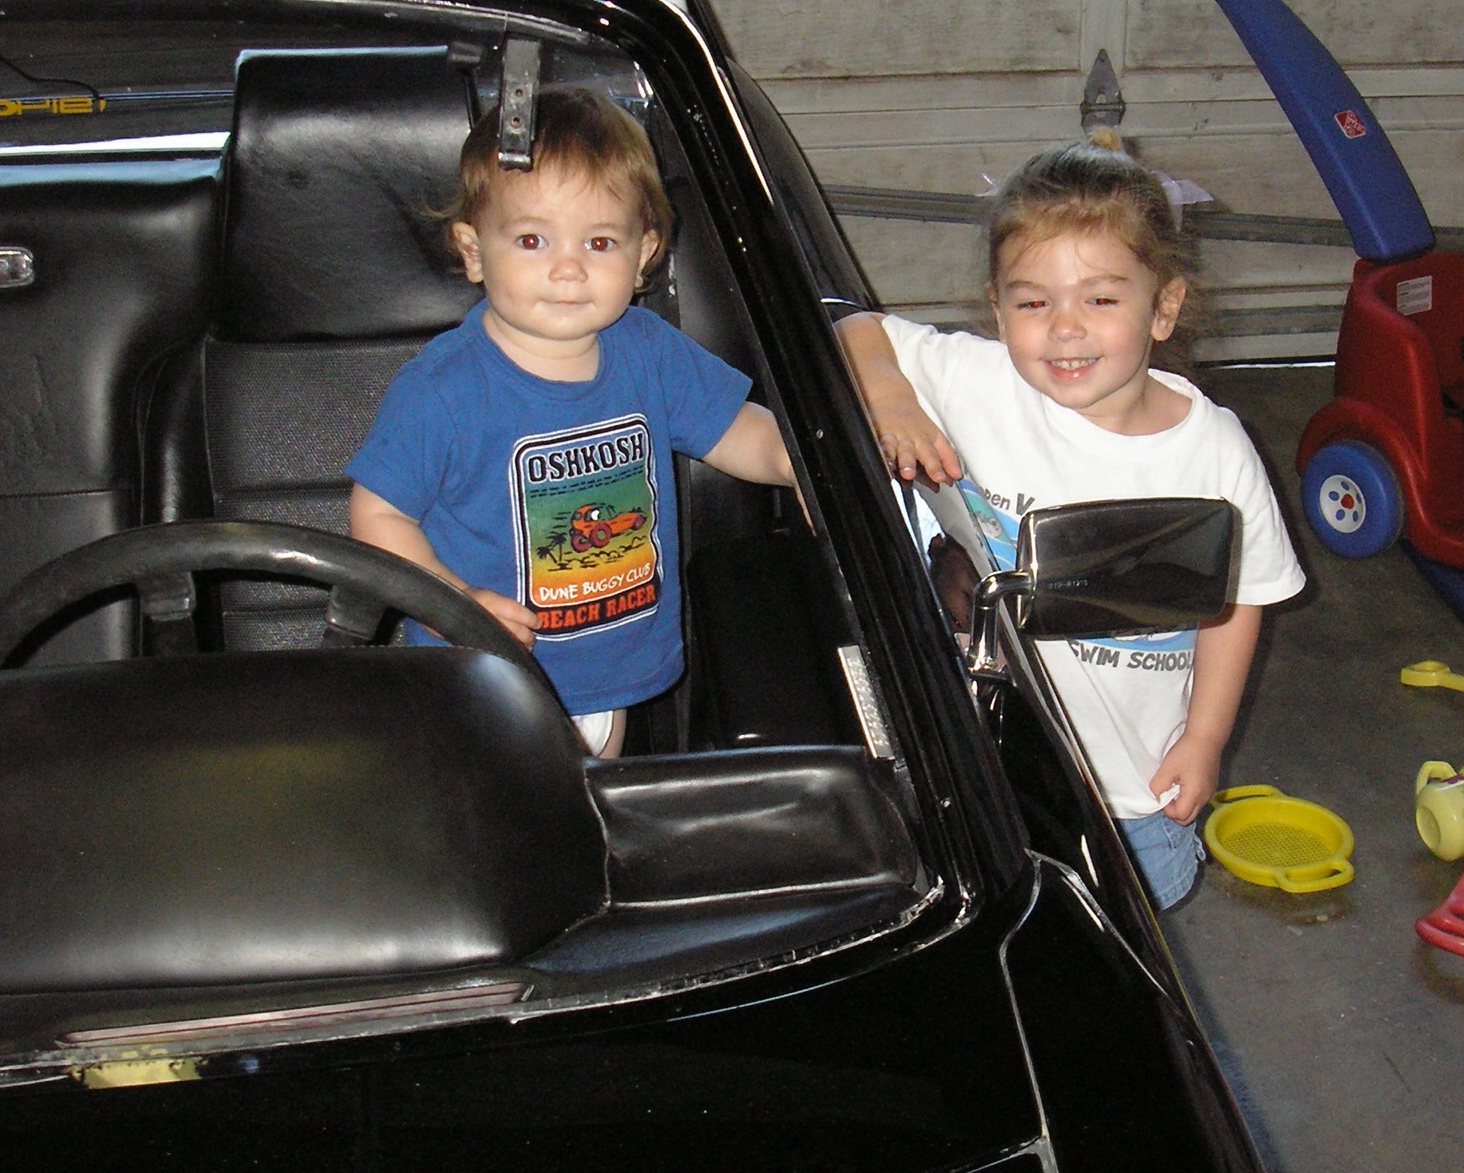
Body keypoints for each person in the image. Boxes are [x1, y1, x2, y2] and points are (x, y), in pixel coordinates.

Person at [836, 134, 1303, 908]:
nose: (1064, 328)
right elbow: (854, 329)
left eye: (1101, 299)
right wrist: (890, 398)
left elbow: (1239, 599)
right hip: (984, 757)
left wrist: (1206, 738)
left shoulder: (1213, 452)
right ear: (997, 308)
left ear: (1164, 308)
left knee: (1124, 937)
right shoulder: (981, 382)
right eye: (1033, 302)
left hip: (1128, 785)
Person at [348, 86, 793, 757]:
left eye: (600, 242)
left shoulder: (649, 351)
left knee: (588, 808)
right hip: (481, 675)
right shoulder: (444, 389)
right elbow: (378, 515)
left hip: (610, 671)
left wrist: (803, 465)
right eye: (532, 239)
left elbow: (738, 431)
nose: (568, 268)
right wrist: (451, 603)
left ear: (643, 255)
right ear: (474, 250)